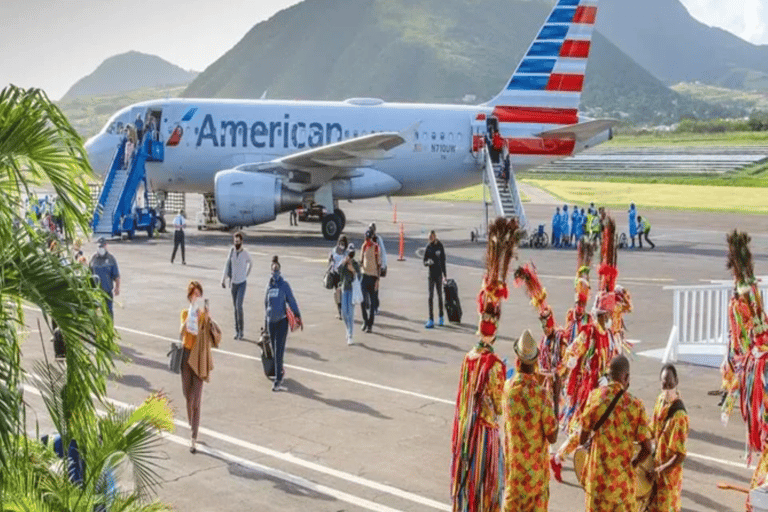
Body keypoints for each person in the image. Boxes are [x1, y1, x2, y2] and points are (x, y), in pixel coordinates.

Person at [451, 217, 520, 512]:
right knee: (489, 489)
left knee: (467, 488)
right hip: (485, 437)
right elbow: (495, 405)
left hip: (466, 433)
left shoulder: (469, 358)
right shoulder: (493, 365)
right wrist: (506, 382)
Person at [579, 355, 652, 512]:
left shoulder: (595, 397)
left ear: (609, 375)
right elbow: (647, 448)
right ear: (626, 377)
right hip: (622, 488)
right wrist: (633, 464)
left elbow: (582, 439)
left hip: (597, 485)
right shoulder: (635, 406)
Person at [502, 329, 558, 512]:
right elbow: (552, 437)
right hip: (535, 477)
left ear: (518, 360)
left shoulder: (508, 387)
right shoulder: (541, 395)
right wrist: (555, 395)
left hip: (515, 472)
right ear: (535, 362)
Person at [179, 281, 221, 453]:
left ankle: (193, 436)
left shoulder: (203, 315)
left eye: (199, 294)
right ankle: (191, 424)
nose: (197, 297)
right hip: (186, 356)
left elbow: (213, 335)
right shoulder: (184, 313)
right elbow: (182, 332)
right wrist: (189, 318)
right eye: (194, 294)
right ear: (190, 296)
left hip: (199, 358)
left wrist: (208, 318)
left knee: (196, 400)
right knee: (188, 397)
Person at [647, 364, 688, 512]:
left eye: (671, 384)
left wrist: (660, 470)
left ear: (676, 382)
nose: (668, 388)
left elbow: (680, 455)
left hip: (668, 478)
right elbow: (652, 428)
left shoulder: (679, 416)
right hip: (656, 470)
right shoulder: (660, 400)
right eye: (664, 384)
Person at [264, 256, 302, 392]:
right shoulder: (268, 286)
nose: (275, 272)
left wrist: (297, 315)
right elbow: (266, 305)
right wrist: (265, 324)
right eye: (273, 270)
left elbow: (291, 300)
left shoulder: (284, 285)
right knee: (274, 351)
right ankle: (280, 369)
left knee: (279, 351)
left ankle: (278, 379)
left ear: (279, 271)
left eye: (277, 270)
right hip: (271, 322)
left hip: (281, 322)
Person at [221, 231, 252, 340]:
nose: (236, 244)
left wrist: (246, 274)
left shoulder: (245, 254)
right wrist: (223, 279)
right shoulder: (231, 252)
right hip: (233, 283)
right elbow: (227, 265)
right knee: (235, 308)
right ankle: (237, 330)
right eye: (235, 242)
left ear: (242, 242)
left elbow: (251, 263)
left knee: (239, 306)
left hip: (242, 283)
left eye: (238, 242)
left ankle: (241, 331)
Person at [89, 237, 120, 317]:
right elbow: (89, 273)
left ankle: (110, 327)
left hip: (107, 291)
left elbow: (116, 275)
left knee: (109, 312)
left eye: (102, 247)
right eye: (99, 247)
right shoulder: (94, 259)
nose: (101, 249)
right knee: (98, 314)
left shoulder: (111, 259)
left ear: (106, 246)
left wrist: (117, 287)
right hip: (96, 293)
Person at [423, 230, 446, 328]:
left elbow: (443, 261)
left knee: (440, 295)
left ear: (435, 237)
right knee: (430, 297)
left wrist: (445, 275)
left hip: (439, 274)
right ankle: (431, 319)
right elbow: (424, 261)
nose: (430, 239)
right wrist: (428, 263)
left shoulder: (440, 246)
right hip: (431, 275)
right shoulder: (428, 247)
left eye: (431, 237)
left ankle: (441, 316)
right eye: (429, 238)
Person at [338, 243, 360, 345]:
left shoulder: (355, 264)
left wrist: (353, 271)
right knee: (344, 313)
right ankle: (347, 329)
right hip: (344, 289)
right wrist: (344, 263)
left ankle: (350, 335)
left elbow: (359, 277)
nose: (350, 256)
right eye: (349, 253)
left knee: (350, 313)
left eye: (352, 254)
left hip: (351, 290)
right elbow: (338, 271)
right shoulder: (344, 263)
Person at [360, 230, 381, 333]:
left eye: (368, 239)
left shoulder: (376, 247)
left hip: (373, 277)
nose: (367, 241)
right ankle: (365, 320)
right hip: (364, 276)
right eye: (366, 239)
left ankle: (370, 324)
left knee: (372, 303)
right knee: (362, 301)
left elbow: (379, 265)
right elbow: (360, 261)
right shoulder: (364, 246)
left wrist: (378, 280)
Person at [369, 222, 387, 313]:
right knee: (369, 287)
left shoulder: (378, 239)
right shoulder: (367, 239)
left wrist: (383, 265)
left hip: (376, 266)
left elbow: (382, 252)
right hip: (369, 266)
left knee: (375, 287)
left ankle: (376, 306)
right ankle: (371, 305)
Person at [328, 235, 348, 319]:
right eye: (340, 242)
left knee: (339, 293)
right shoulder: (334, 250)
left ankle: (342, 312)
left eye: (343, 243)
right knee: (336, 294)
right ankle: (340, 310)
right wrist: (330, 258)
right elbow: (330, 259)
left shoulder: (346, 252)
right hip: (335, 274)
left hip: (342, 275)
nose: (341, 244)